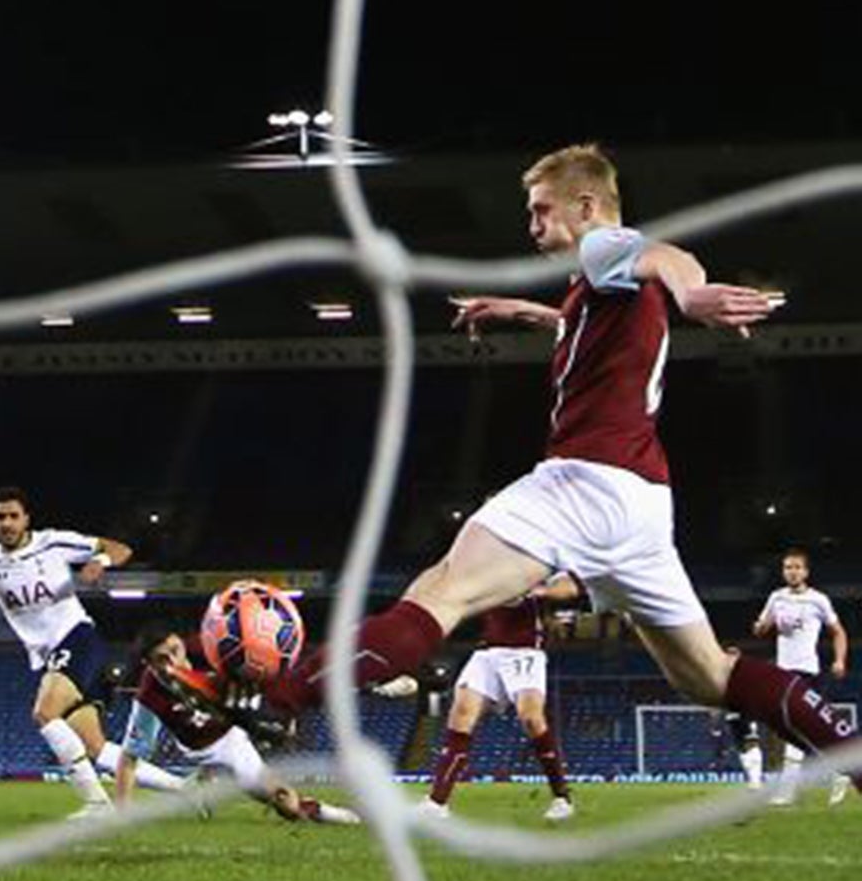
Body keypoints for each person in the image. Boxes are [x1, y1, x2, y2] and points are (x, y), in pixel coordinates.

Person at [253, 143, 862, 795]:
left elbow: (666, 256)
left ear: (588, 205)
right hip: (643, 502)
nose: (534, 225)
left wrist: (692, 292)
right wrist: (521, 310)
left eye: (543, 211)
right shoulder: (602, 290)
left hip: (582, 482)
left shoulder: (605, 247)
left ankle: (279, 700)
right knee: (707, 676)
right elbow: (588, 323)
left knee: (441, 593)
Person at [0, 489, 190, 815]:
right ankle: (185, 790)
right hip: (47, 656)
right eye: (0, 517)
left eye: (13, 516)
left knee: (44, 713)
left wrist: (100, 561)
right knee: (95, 747)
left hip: (76, 638)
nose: (7, 523)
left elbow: (120, 549)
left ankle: (97, 805)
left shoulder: (53, 542)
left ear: (26, 519)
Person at [114, 629, 357, 825]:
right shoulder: (149, 697)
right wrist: (122, 811)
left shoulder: (214, 652)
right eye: (161, 660)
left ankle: (336, 815)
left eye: (175, 651)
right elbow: (129, 759)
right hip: (193, 751)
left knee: (284, 803)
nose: (172, 663)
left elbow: (257, 681)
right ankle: (201, 780)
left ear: (181, 642)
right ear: (148, 665)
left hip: (230, 739)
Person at [419, 576, 582, 821]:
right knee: (461, 714)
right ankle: (437, 803)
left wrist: (532, 589)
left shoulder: (540, 561)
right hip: (488, 652)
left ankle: (561, 798)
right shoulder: (492, 561)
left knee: (531, 719)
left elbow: (569, 587)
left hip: (524, 651)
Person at [752, 547, 849, 806]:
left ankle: (787, 790)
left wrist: (839, 660)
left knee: (795, 728)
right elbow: (761, 628)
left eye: (797, 567)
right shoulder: (776, 597)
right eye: (787, 568)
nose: (792, 572)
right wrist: (762, 626)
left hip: (806, 671)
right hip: (783, 670)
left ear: (806, 571)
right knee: (803, 730)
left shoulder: (818, 600)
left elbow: (838, 632)